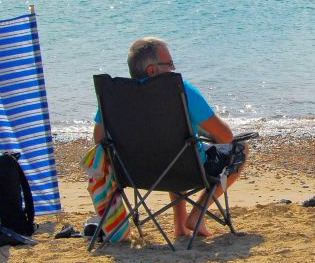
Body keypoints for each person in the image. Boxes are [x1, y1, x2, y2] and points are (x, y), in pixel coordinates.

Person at [93, 37, 249, 238]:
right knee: (239, 148)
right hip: (186, 169)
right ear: (152, 70)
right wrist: (204, 133)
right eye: (169, 64)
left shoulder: (113, 96)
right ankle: (197, 215)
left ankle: (180, 226)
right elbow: (226, 136)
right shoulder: (181, 91)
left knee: (174, 149)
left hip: (134, 173)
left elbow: (99, 139)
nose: (174, 68)